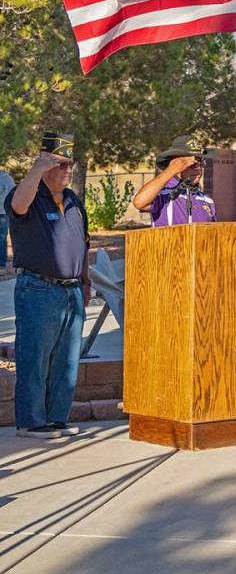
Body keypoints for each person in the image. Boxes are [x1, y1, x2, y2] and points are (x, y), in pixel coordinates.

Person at [3, 132, 90, 440]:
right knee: (35, 355)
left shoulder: (72, 199)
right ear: (45, 164)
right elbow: (18, 207)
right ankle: (30, 422)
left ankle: (55, 418)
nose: (68, 170)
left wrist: (85, 280)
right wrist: (37, 170)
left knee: (67, 359)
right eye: (61, 164)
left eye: (70, 164)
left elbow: (84, 242)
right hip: (38, 287)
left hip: (72, 290)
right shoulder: (28, 193)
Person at [132, 135, 216, 226]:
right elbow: (139, 202)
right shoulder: (163, 193)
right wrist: (171, 170)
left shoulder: (207, 200)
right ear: (177, 164)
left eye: (201, 163)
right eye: (192, 164)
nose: (198, 168)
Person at [0, 166, 14, 271]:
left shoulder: (4, 178)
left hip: (2, 212)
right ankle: (2, 264)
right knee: (2, 238)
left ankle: (1, 263)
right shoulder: (8, 177)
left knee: (2, 238)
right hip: (5, 212)